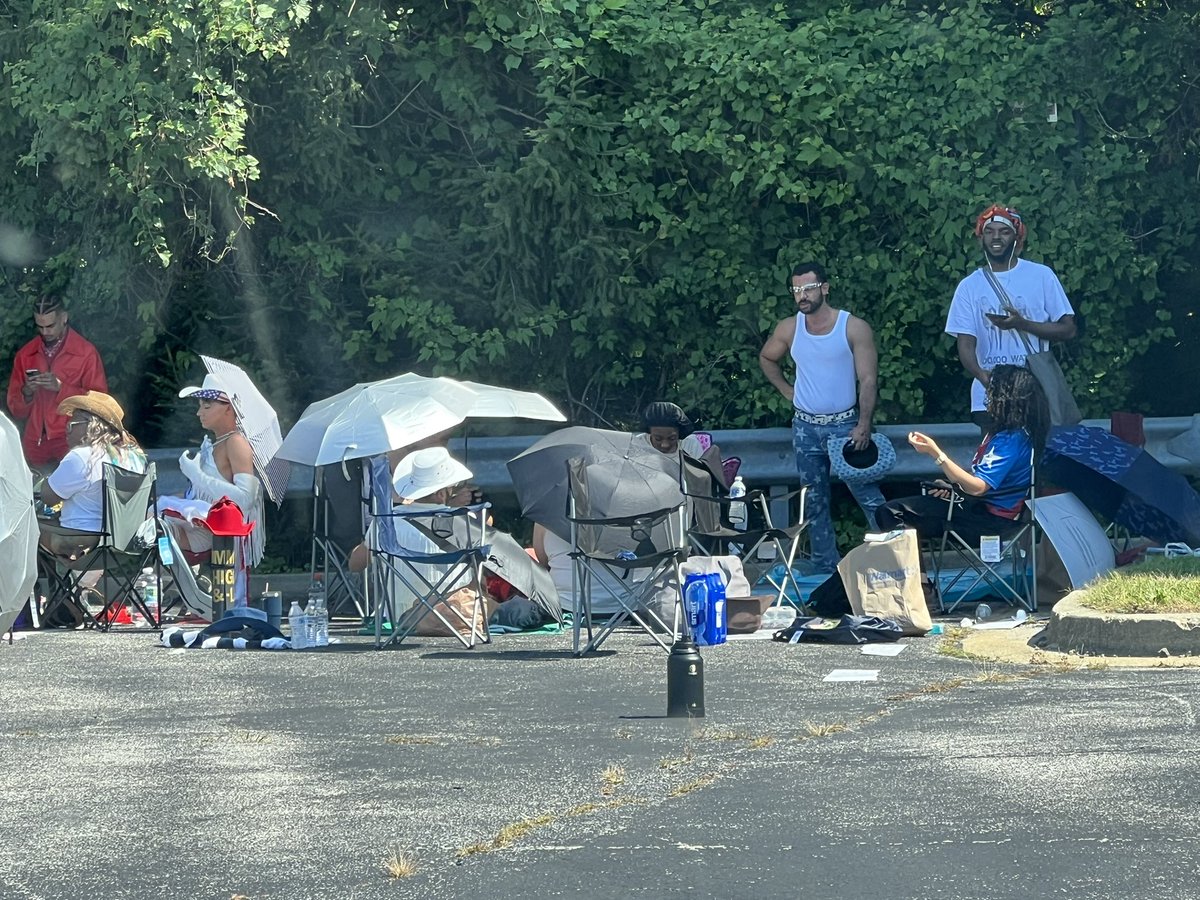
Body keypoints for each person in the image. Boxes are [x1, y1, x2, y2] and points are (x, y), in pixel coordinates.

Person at [758, 261, 886, 573]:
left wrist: (864, 423)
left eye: (808, 288)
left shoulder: (853, 326)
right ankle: (824, 563)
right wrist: (787, 391)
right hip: (805, 425)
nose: (802, 295)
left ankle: (893, 554)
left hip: (845, 424)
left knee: (866, 493)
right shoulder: (789, 328)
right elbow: (766, 357)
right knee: (813, 499)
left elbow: (868, 379)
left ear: (825, 288)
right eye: (796, 289)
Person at [876, 364, 1049, 544]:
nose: (988, 398)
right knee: (918, 497)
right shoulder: (1019, 434)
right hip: (979, 509)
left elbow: (978, 487)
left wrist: (936, 453)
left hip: (989, 520)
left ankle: (914, 573)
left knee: (891, 512)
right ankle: (916, 571)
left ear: (1006, 399)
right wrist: (953, 489)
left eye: (992, 392)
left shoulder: (1010, 440)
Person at [946, 204, 1076, 434]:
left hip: (1035, 390)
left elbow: (1068, 330)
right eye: (989, 231)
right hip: (989, 395)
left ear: (1017, 238)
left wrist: (1022, 324)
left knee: (1036, 463)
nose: (996, 237)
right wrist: (983, 377)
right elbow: (965, 343)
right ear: (981, 238)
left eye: (1004, 232)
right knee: (996, 463)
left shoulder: (1041, 275)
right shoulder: (968, 287)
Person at [156, 374, 265, 597]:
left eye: (207, 405)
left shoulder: (236, 442)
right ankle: (186, 591)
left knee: (160, 528)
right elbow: (197, 493)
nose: (199, 412)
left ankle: (193, 591)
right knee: (155, 525)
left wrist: (198, 475)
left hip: (224, 531)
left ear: (228, 408)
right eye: (199, 406)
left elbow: (246, 499)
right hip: (204, 525)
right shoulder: (217, 443)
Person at [38, 391, 147, 557]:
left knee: (28, 526)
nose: (66, 431)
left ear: (91, 425)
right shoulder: (135, 458)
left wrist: (44, 481)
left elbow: (48, 497)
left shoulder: (82, 457)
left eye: (71, 425)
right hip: (126, 541)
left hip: (80, 541)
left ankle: (55, 581)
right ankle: (75, 581)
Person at [6, 296, 108, 472]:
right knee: (33, 496)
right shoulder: (25, 354)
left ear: (64, 318)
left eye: (50, 326)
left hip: (72, 439)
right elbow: (16, 410)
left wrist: (61, 388)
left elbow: (100, 404)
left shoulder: (86, 353)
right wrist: (27, 393)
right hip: (35, 442)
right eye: (40, 326)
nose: (45, 332)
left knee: (71, 495)